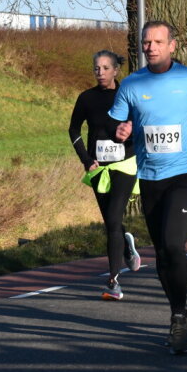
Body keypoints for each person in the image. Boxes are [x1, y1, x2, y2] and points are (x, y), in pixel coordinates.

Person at [110, 20, 187, 355]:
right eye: (146, 43)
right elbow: (122, 122)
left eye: (158, 42)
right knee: (161, 250)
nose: (151, 48)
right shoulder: (131, 84)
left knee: (174, 246)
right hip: (150, 175)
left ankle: (177, 317)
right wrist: (123, 130)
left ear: (172, 45)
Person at [70, 50, 140, 301]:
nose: (100, 72)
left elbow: (141, 126)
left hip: (124, 165)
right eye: (96, 68)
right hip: (97, 168)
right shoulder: (86, 98)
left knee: (112, 218)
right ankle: (127, 246)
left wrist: (130, 138)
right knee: (111, 222)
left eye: (105, 68)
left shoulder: (128, 95)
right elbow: (74, 130)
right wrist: (86, 160)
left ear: (115, 70)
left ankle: (113, 281)